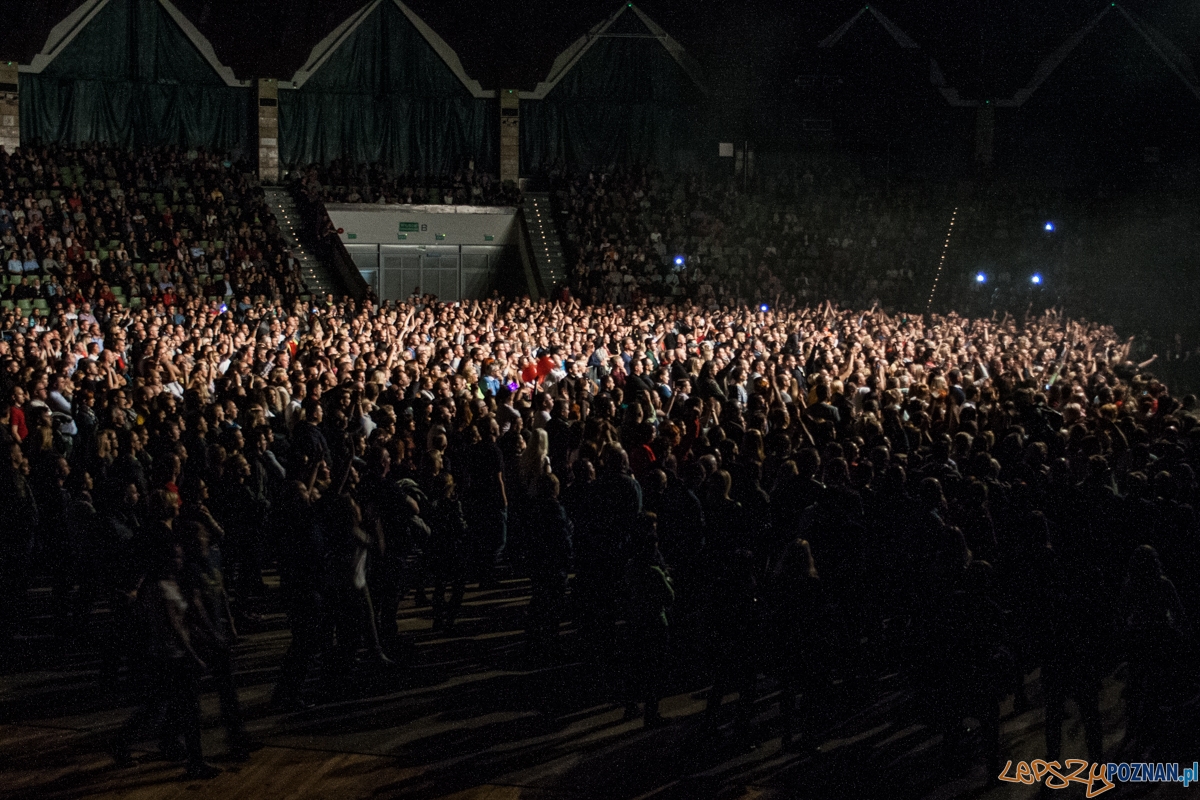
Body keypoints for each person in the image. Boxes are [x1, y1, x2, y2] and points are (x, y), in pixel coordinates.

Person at [621, 513, 673, 726]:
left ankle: (630, 705)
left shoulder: (631, 567)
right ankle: (652, 713)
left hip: (635, 620)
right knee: (655, 669)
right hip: (655, 621)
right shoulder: (654, 571)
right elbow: (669, 596)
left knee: (636, 665)